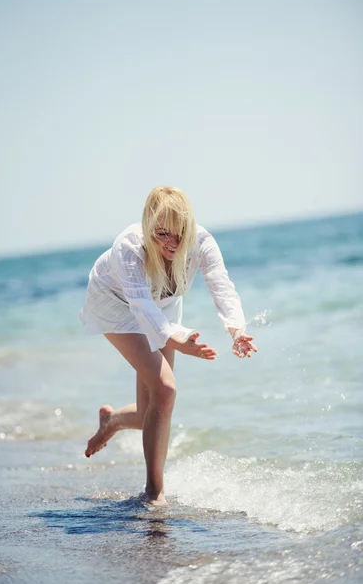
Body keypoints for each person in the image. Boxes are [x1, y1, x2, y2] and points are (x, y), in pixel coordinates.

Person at [80, 186, 257, 506]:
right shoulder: (129, 248)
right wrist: (176, 339)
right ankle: (153, 490)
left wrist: (236, 330)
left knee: (152, 407)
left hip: (163, 305)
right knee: (165, 389)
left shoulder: (202, 242)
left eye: (180, 233)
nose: (173, 243)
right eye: (162, 234)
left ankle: (114, 421)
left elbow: (222, 286)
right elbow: (140, 309)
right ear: (148, 227)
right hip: (117, 304)